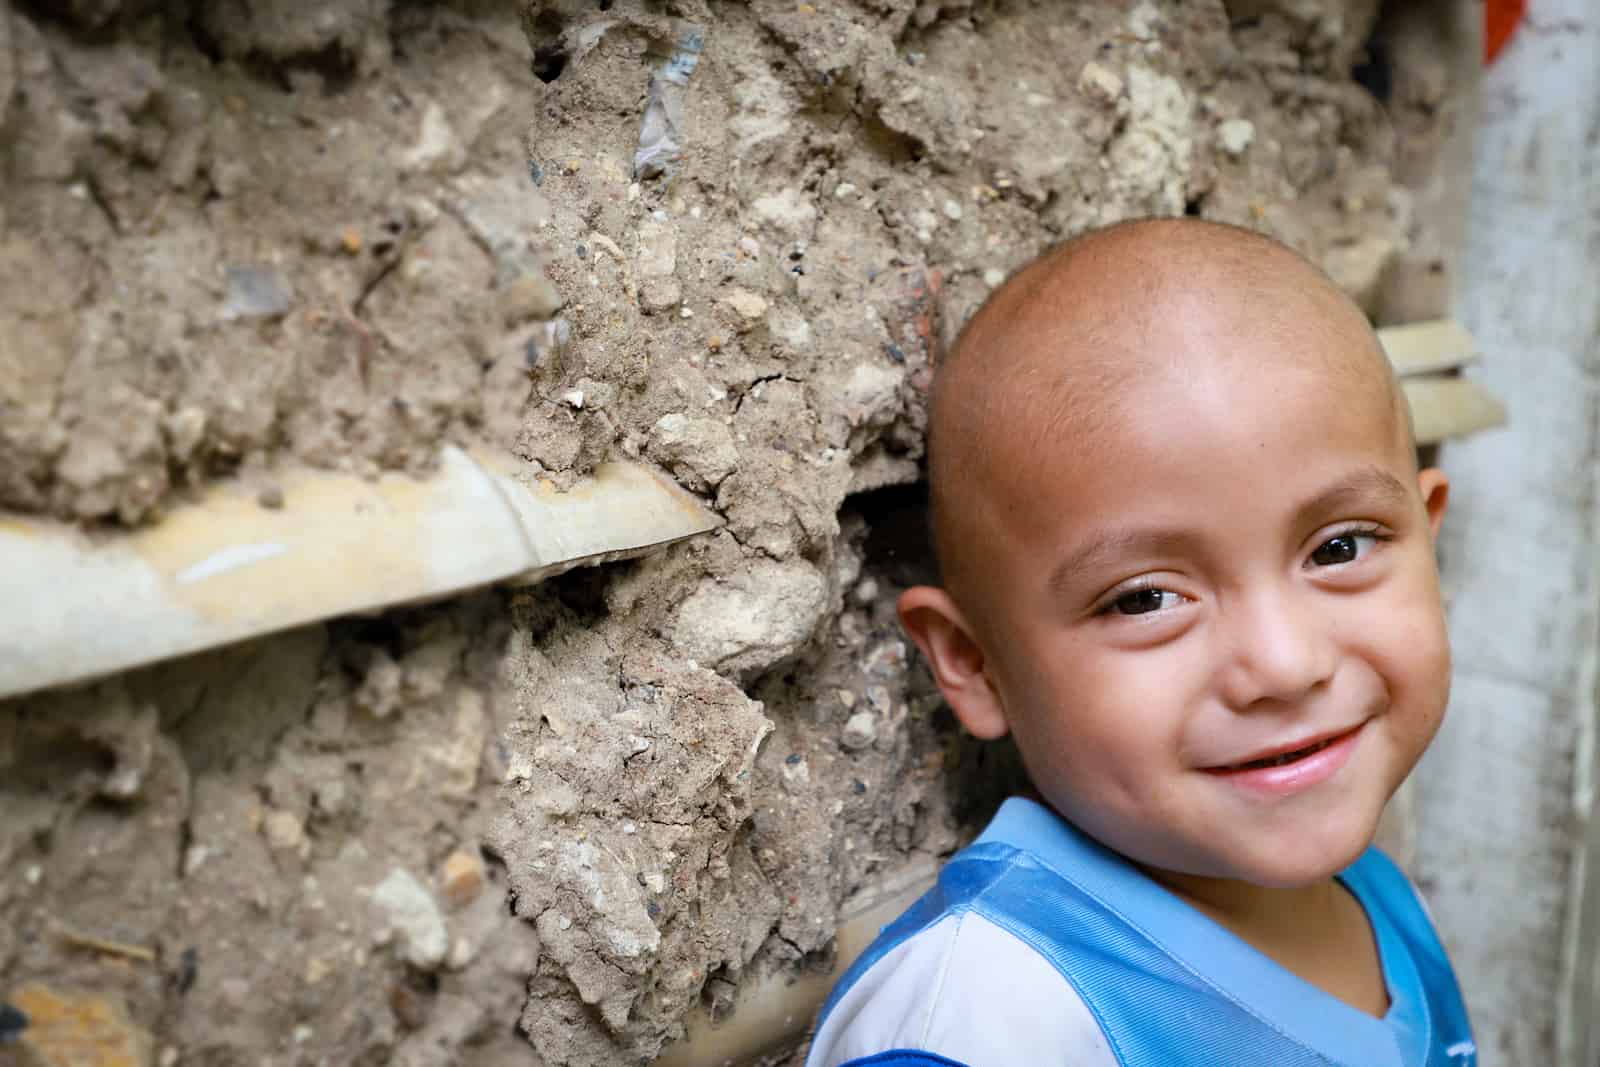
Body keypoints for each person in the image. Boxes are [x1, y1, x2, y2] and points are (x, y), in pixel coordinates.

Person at [804, 218, 1476, 1066]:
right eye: (1146, 598)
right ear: (973, 663)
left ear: (1429, 536)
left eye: (1339, 547)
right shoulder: (993, 1020)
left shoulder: (1381, 905)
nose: (1284, 663)